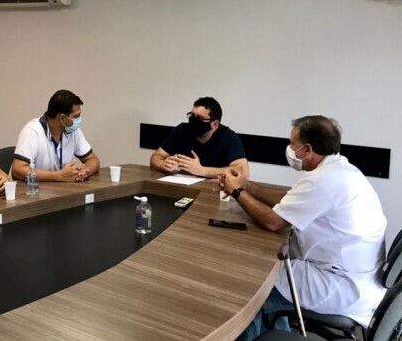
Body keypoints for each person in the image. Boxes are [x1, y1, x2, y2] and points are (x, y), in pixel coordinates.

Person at [219, 116, 387, 340]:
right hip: (356, 277)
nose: (290, 150)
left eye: (292, 144)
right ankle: (277, 334)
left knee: (251, 292)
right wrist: (246, 185)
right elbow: (290, 199)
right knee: (271, 272)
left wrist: (236, 192)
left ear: (307, 149)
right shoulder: (341, 170)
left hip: (339, 284)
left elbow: (273, 221)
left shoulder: (324, 180)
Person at [11, 90, 100, 182]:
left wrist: (85, 172)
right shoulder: (32, 131)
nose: (79, 119)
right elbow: (18, 170)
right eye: (76, 116)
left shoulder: (73, 130)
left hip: (65, 189)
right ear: (62, 118)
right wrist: (58, 176)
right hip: (36, 189)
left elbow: (93, 159)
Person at [149, 96, 248, 179]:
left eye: (200, 118)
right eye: (192, 115)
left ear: (215, 124)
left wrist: (201, 170)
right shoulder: (181, 130)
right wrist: (164, 165)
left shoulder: (228, 137)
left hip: (214, 190)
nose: (194, 121)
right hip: (184, 185)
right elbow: (156, 157)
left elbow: (242, 172)